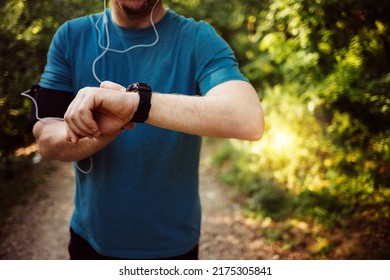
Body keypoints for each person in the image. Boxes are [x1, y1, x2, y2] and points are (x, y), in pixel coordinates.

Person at [30, 0, 264, 260]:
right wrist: (102, 131)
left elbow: (248, 119)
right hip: (90, 241)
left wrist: (136, 105)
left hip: (173, 246)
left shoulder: (198, 38)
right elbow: (45, 139)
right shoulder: (70, 36)